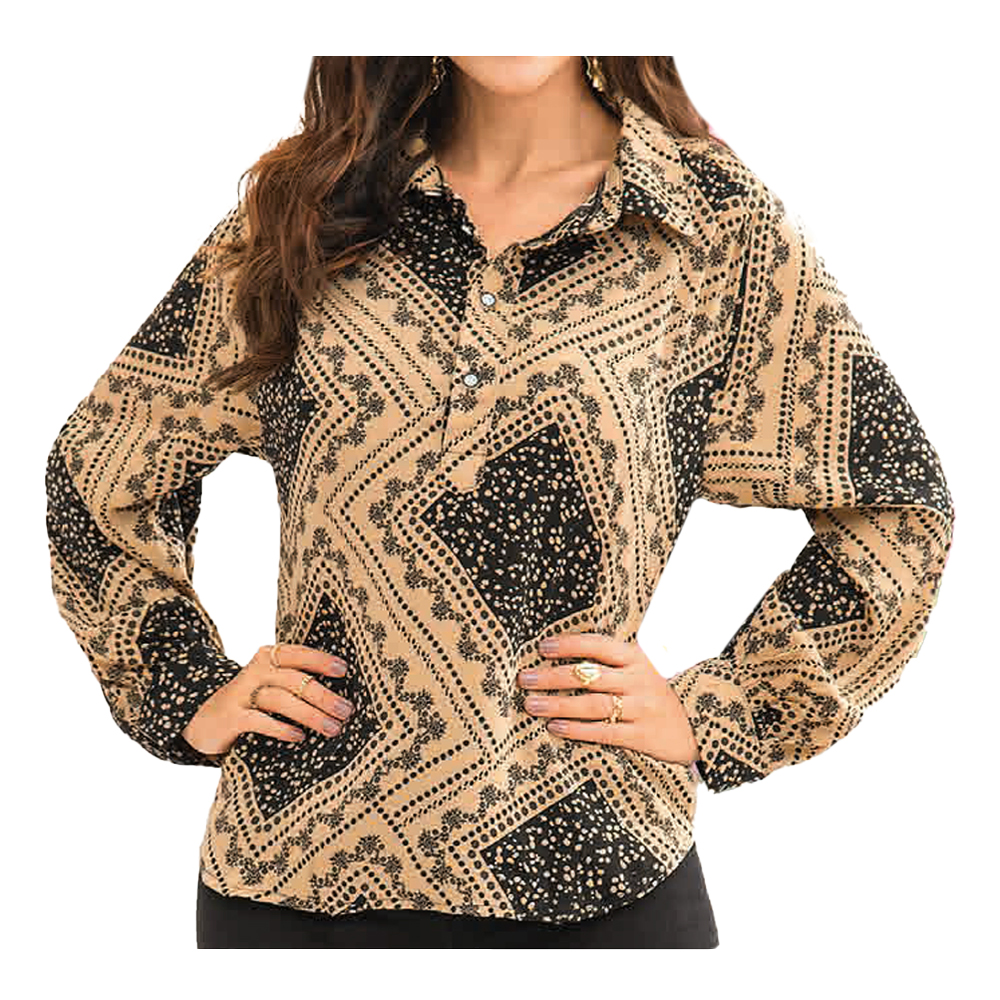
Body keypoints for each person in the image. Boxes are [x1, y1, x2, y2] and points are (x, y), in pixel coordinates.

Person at [45, 56, 955, 949]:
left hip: (599, 875)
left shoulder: (712, 226)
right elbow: (101, 467)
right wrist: (185, 687)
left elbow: (900, 509)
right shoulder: (311, 208)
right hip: (291, 875)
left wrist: (729, 708)